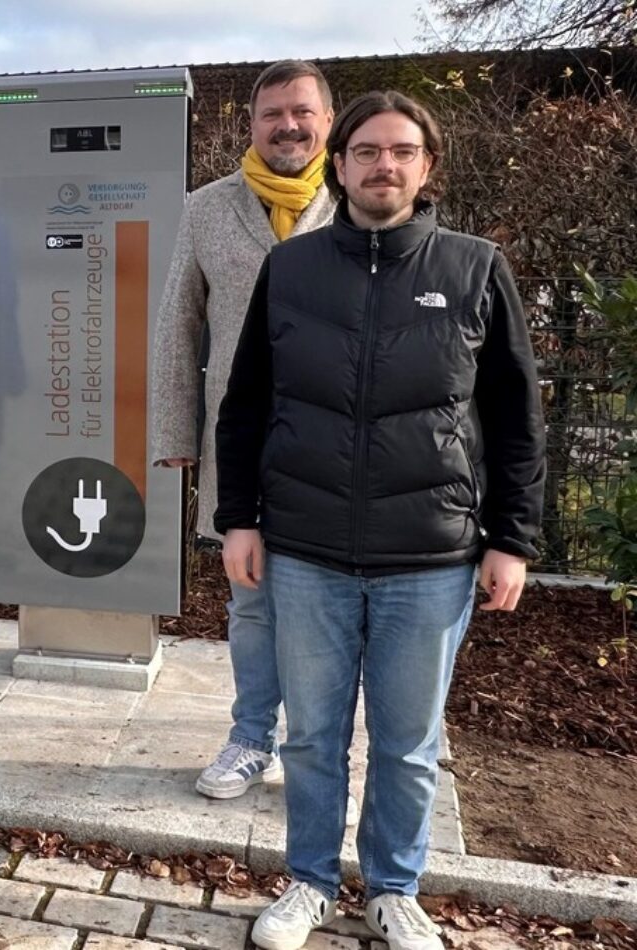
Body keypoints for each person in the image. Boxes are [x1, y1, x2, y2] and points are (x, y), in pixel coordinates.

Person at [216, 90, 545, 950]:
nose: (383, 166)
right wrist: (238, 519)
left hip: (430, 558)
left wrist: (512, 539)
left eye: (401, 151)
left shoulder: (474, 268)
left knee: (407, 744)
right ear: (341, 164)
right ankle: (309, 882)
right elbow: (246, 403)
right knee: (312, 739)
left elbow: (516, 419)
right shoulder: (291, 269)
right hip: (305, 550)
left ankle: (395, 890)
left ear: (426, 167)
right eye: (366, 151)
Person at [150, 60, 337, 799]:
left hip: (338, 442)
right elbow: (176, 323)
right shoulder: (205, 208)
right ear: (251, 124)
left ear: (327, 120)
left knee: (325, 605)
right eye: (272, 114)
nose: (287, 126)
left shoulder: (358, 201)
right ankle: (252, 737)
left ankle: (315, 748)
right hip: (243, 439)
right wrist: (175, 431)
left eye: (302, 112)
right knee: (252, 601)